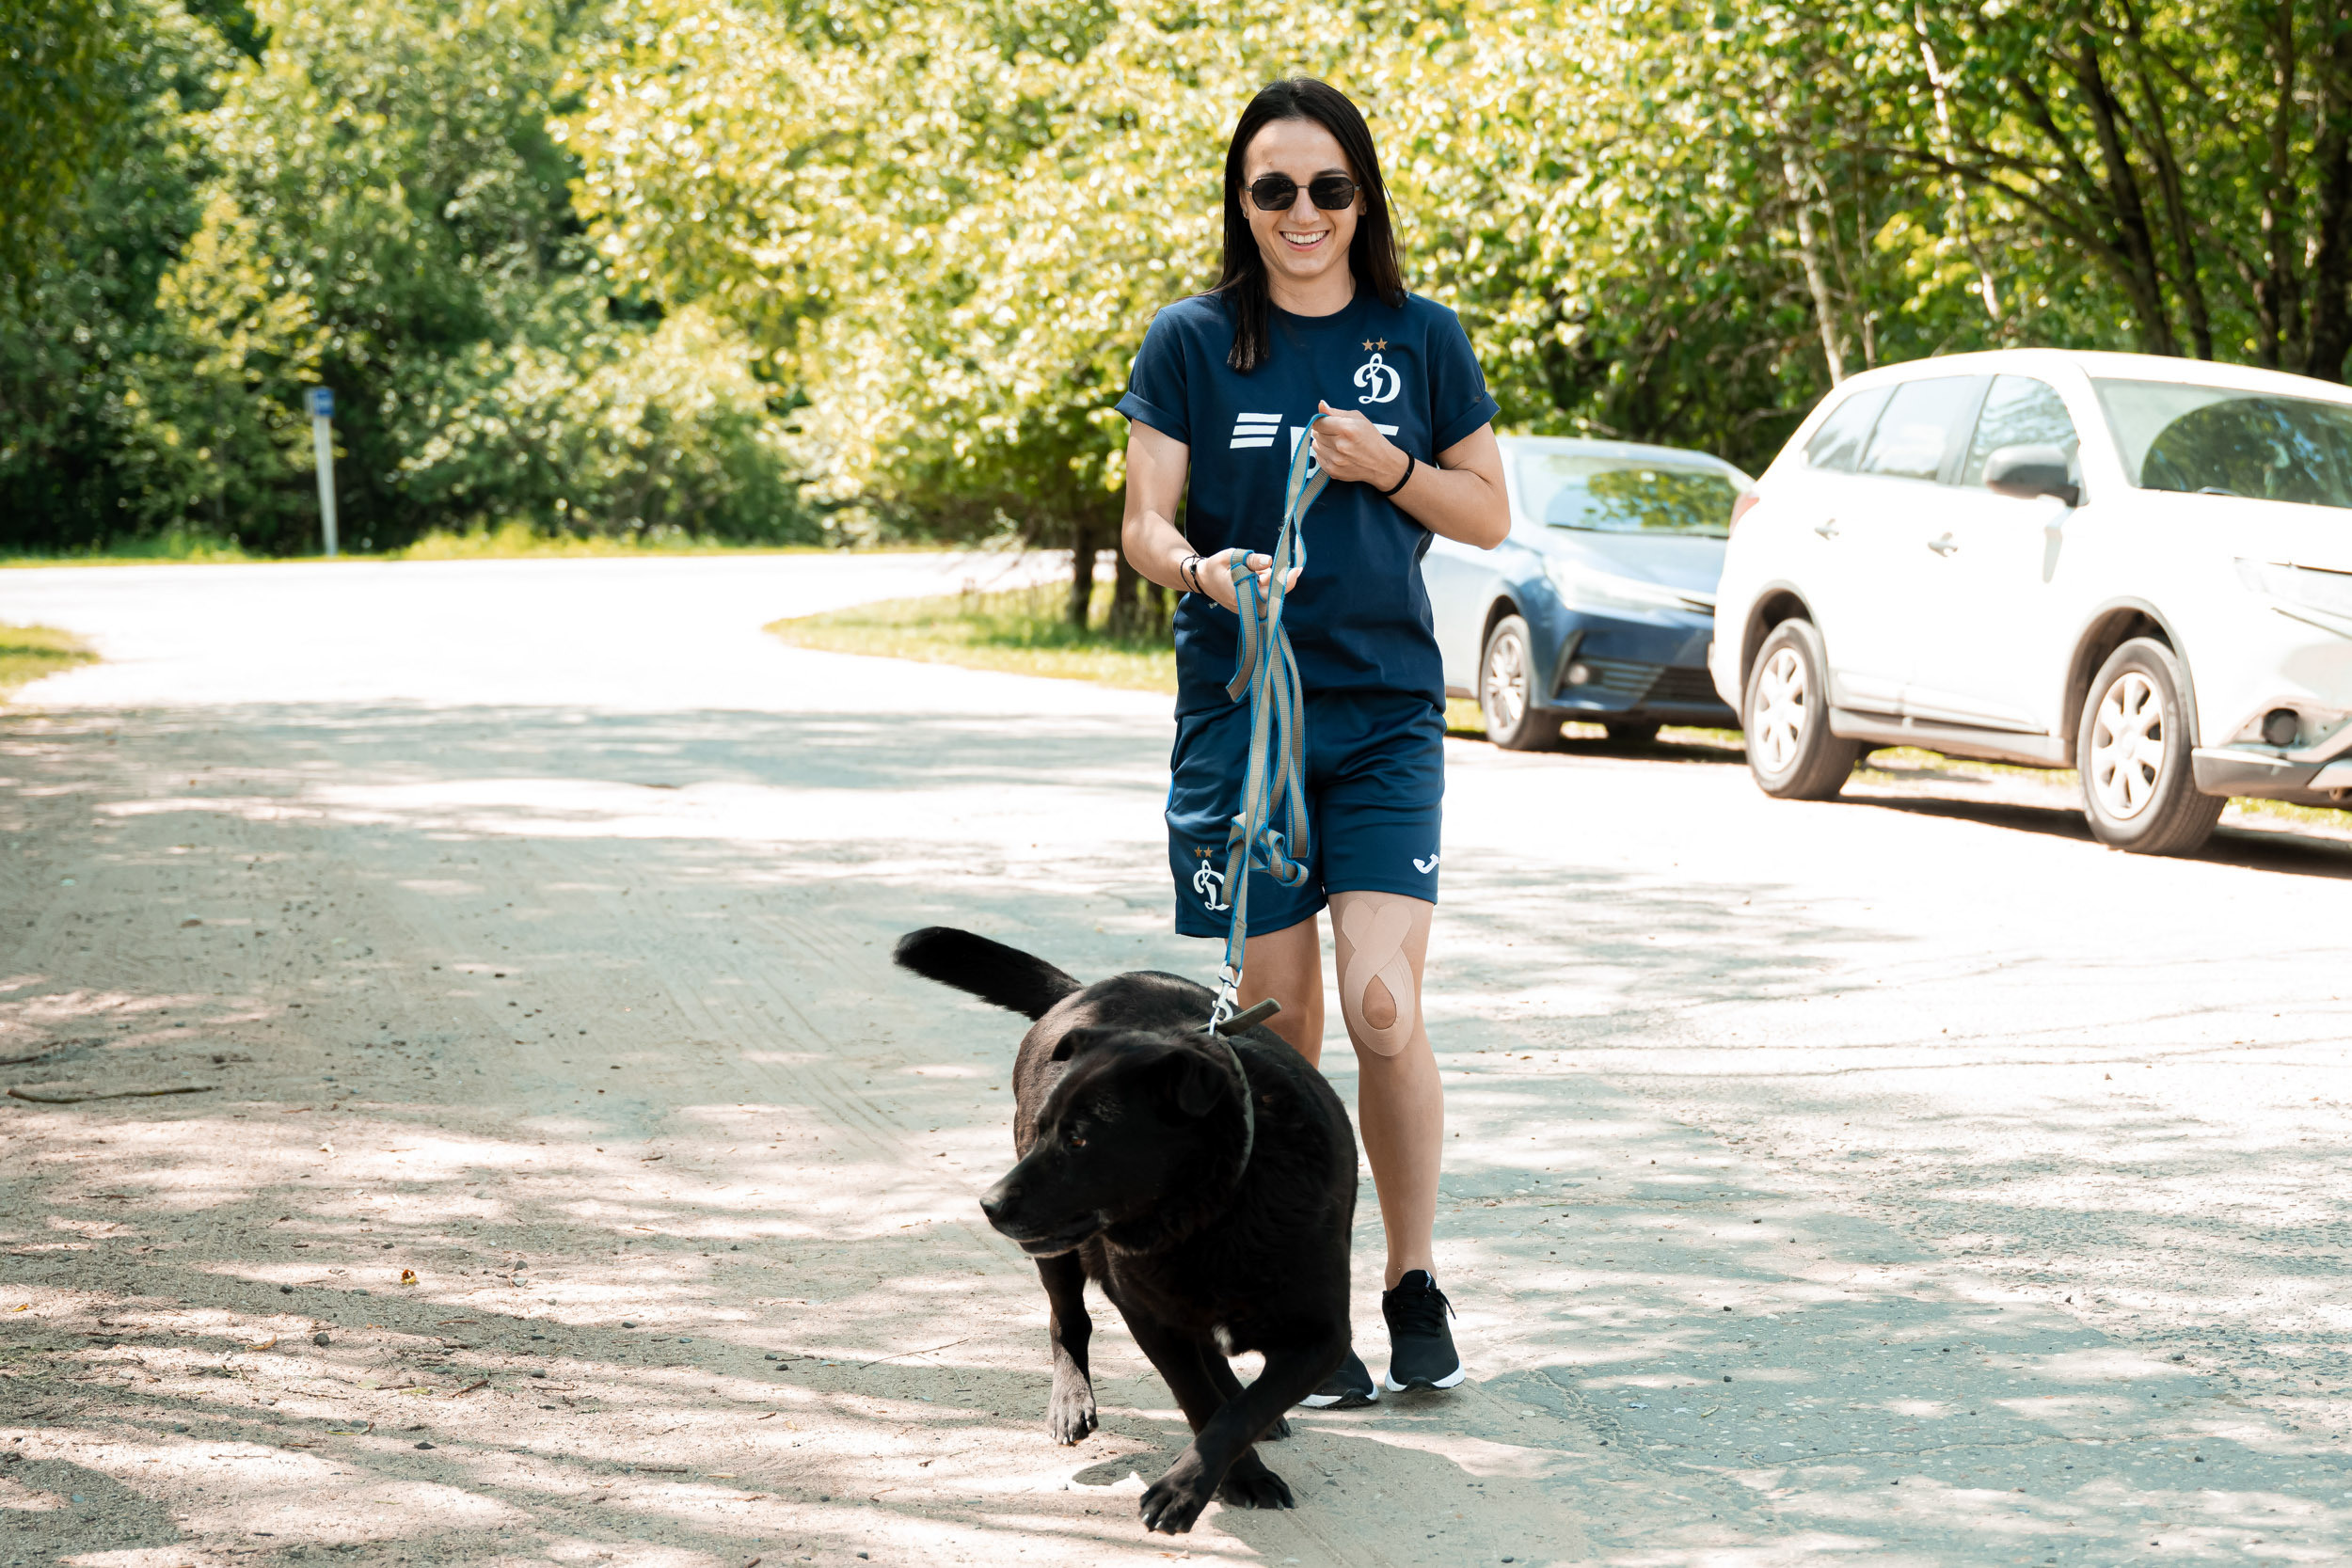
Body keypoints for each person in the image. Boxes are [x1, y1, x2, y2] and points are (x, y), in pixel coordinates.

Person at [1116, 77, 1508, 1407]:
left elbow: (1488, 514)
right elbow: (1144, 525)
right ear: (1244, 200)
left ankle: (1412, 1283)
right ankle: (1309, 1309)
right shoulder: (1191, 341)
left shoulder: (1423, 336)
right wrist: (1204, 571)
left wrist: (1387, 468)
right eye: (1274, 188)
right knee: (1278, 1040)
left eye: (1328, 188)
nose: (1303, 214)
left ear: (1362, 199)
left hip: (1385, 710)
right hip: (1242, 718)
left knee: (1384, 1007)